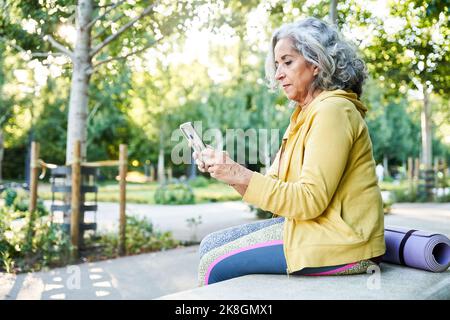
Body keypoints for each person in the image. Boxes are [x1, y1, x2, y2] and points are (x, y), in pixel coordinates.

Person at [193, 17, 385, 286]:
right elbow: (273, 189)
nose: (278, 73)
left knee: (213, 264)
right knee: (211, 243)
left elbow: (309, 201)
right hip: (315, 230)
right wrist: (229, 172)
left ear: (316, 63)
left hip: (344, 242)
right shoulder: (303, 116)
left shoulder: (333, 111)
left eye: (287, 61)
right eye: (276, 65)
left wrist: (238, 173)